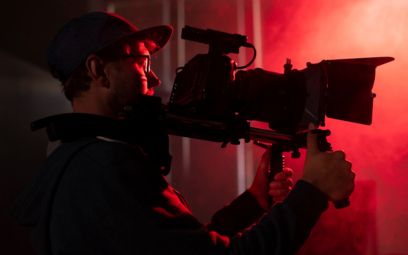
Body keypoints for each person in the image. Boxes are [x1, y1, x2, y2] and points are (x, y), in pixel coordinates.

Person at [12, 11, 355, 255]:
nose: (156, 80)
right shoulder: (104, 167)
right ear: (98, 70)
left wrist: (253, 201)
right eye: (143, 63)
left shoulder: (76, 158)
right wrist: (312, 192)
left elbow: (180, 244)